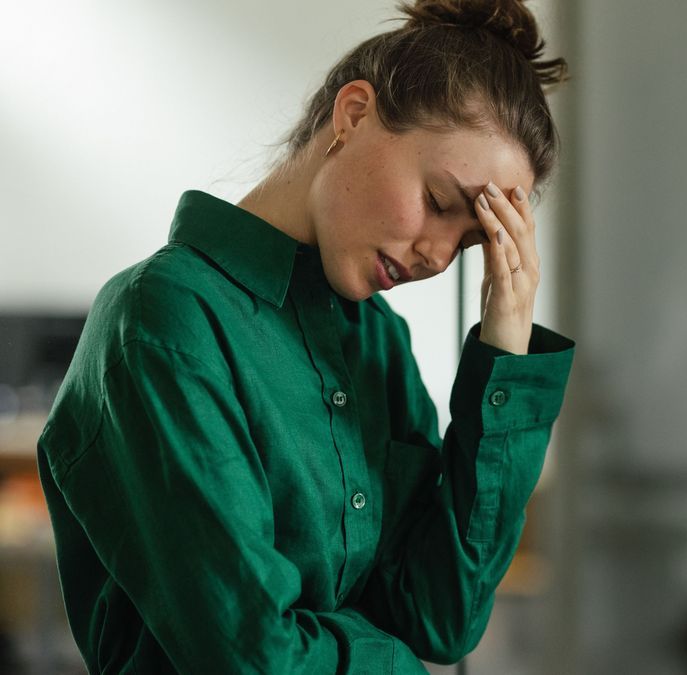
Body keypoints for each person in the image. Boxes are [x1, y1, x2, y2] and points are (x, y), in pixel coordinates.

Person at [35, 0, 574, 672]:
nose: (438, 257)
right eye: (439, 202)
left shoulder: (377, 340)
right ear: (352, 115)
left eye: (472, 241)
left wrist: (504, 347)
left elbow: (440, 617)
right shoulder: (160, 322)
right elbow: (255, 656)